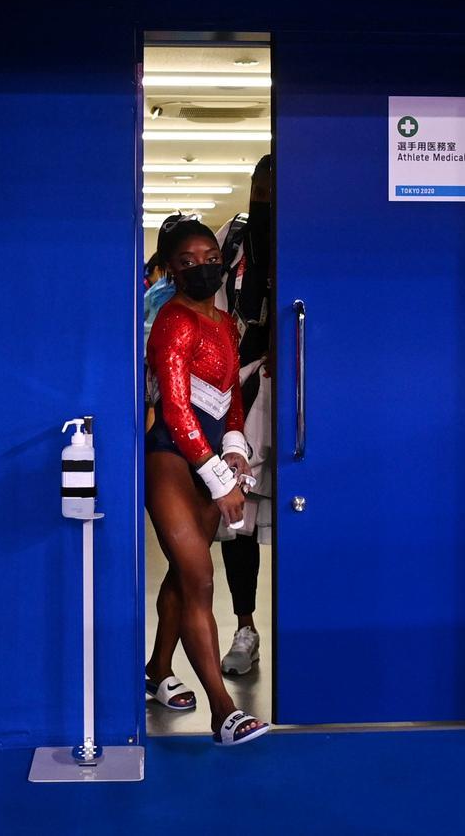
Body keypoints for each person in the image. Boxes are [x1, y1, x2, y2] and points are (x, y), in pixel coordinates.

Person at [143, 217, 270, 747]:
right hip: (172, 457)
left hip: (209, 456)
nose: (203, 267)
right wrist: (218, 478)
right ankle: (223, 711)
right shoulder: (172, 321)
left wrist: (236, 451)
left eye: (210, 257)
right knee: (199, 579)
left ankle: (154, 672)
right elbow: (174, 408)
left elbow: (233, 398)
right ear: (171, 270)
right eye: (188, 261)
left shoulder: (223, 322)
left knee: (183, 573)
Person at [213, 155, 273, 675]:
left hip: (308, 392)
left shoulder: (325, 229)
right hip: (245, 387)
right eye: (261, 184)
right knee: (241, 520)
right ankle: (246, 626)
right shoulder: (236, 239)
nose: (267, 192)